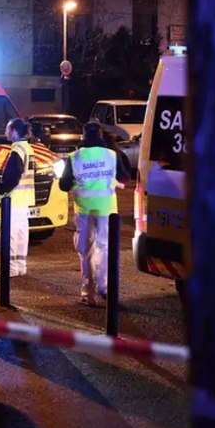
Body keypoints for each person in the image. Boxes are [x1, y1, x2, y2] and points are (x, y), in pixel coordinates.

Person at [58, 121, 131, 305]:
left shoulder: (75, 157)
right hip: (107, 210)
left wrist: (77, 182)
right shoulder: (111, 155)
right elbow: (125, 177)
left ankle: (88, 293)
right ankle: (103, 287)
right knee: (105, 248)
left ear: (83, 135)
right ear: (100, 135)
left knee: (86, 251)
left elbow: (63, 185)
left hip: (84, 210)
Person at [0, 118, 36, 278]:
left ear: (14, 131)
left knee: (9, 234)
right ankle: (20, 266)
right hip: (24, 199)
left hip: (13, 198)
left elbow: (11, 177)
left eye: (7, 129)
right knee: (21, 233)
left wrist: (0, 193)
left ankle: (10, 268)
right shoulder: (28, 148)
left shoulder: (17, 150)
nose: (5, 132)